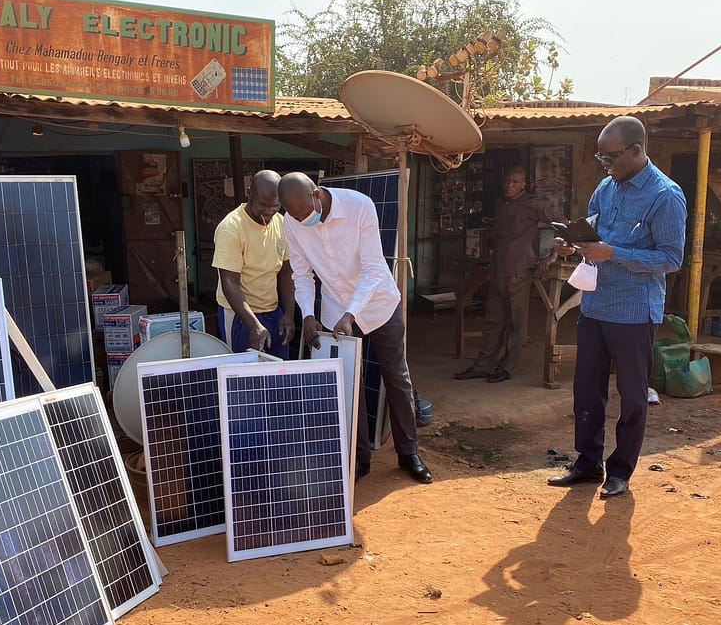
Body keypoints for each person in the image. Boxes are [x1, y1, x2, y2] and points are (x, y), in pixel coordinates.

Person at [546, 116, 686, 498]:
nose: (604, 164)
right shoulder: (605, 189)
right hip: (594, 304)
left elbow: (672, 258)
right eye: (600, 156)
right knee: (587, 390)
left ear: (637, 151)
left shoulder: (665, 195)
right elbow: (594, 236)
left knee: (632, 393)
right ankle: (587, 463)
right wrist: (572, 246)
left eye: (611, 156)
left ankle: (621, 470)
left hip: (634, 311)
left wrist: (614, 253)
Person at [277, 171, 432, 485]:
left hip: (379, 304)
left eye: (304, 213)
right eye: (293, 215)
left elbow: (375, 268)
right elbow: (302, 274)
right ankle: (359, 460)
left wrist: (352, 312)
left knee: (396, 376)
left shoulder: (360, 206)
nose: (300, 220)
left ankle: (408, 453)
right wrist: (307, 313)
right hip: (336, 311)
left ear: (317, 194)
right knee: (350, 384)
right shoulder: (291, 223)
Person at [455, 166, 554, 383]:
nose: (510, 185)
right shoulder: (501, 205)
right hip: (498, 270)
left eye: (515, 182)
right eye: (507, 181)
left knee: (515, 323)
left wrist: (552, 256)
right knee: (493, 321)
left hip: (519, 271)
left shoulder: (533, 205)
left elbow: (562, 224)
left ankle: (507, 367)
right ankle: (483, 365)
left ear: (524, 184)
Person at [212, 169, 295, 358]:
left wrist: (289, 313)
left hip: (273, 311)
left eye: (274, 207)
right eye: (262, 206)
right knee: (243, 377)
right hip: (240, 315)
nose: (268, 213)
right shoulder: (231, 228)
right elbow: (229, 282)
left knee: (278, 373)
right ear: (249, 193)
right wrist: (253, 325)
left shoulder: (281, 224)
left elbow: (286, 272)